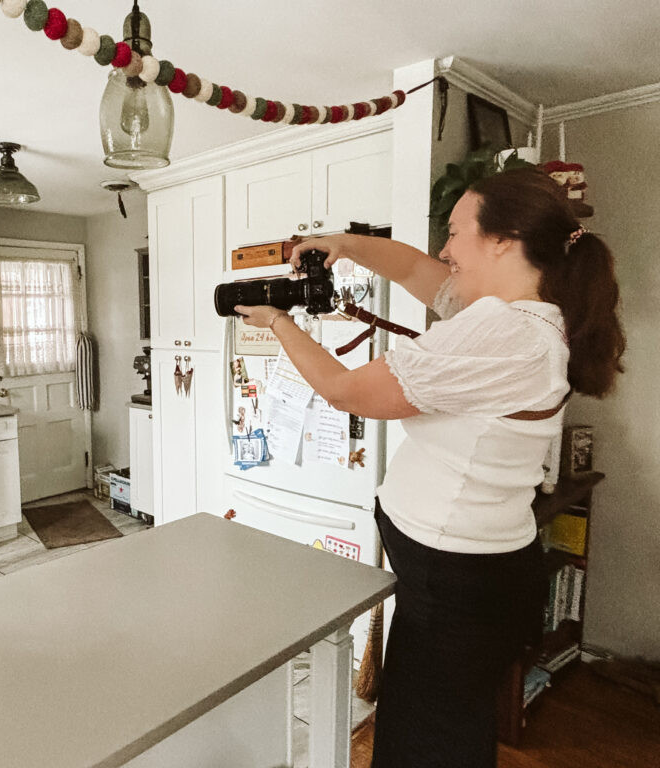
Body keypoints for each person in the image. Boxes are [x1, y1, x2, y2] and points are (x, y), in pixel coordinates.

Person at [235, 168, 625, 767]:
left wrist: (278, 321)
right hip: (463, 579)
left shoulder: (505, 333)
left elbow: (346, 390)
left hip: (455, 587)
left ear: (503, 238)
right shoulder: (519, 318)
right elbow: (420, 272)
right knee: (447, 729)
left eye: (455, 231)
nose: (445, 248)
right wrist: (345, 244)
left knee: (422, 745)